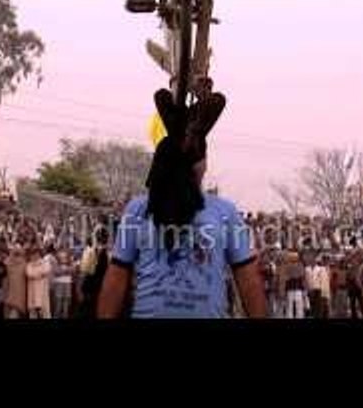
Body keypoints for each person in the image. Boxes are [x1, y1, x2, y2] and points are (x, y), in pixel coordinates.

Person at [97, 88, 266, 319]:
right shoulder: (140, 209)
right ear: (202, 165)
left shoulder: (224, 212)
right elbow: (117, 275)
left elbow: (248, 280)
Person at [2, 245, 28, 319]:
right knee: (14, 313)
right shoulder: (24, 264)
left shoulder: (9, 263)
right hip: (17, 295)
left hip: (10, 294)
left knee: (10, 314)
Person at [25, 247, 52, 319]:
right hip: (32, 290)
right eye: (33, 254)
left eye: (37, 254)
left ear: (39, 254)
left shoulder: (45, 263)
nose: (35, 256)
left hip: (42, 290)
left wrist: (37, 273)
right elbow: (29, 274)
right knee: (33, 311)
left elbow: (46, 270)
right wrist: (40, 274)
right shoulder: (29, 264)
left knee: (45, 311)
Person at [51, 249, 74, 319]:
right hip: (59, 283)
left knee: (66, 300)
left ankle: (65, 315)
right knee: (58, 300)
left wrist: (65, 270)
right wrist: (65, 271)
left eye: (65, 257)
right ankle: (56, 315)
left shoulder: (70, 264)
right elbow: (56, 272)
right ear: (58, 257)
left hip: (67, 283)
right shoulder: (55, 264)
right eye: (61, 257)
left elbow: (72, 270)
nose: (63, 259)